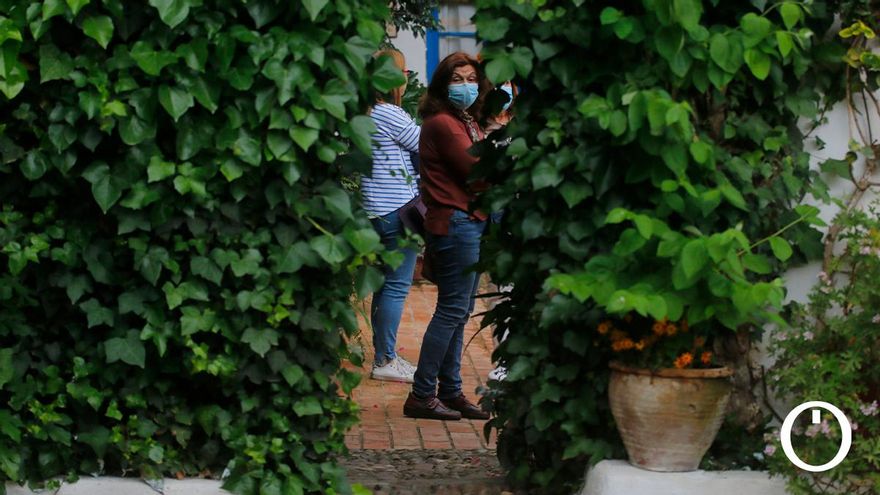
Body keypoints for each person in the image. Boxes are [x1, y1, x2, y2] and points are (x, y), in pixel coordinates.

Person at [403, 52, 493, 421]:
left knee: (460, 311)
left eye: (472, 78)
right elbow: (477, 171)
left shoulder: (462, 120)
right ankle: (422, 394)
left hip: (466, 221)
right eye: (458, 79)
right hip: (455, 223)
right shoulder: (443, 122)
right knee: (452, 311)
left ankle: (450, 390)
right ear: (442, 84)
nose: (466, 85)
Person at [362, 48, 421, 383]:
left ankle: (384, 355)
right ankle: (385, 359)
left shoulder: (366, 113)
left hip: (376, 210)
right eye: (404, 71)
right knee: (396, 287)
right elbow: (427, 144)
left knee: (384, 287)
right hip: (398, 212)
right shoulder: (390, 114)